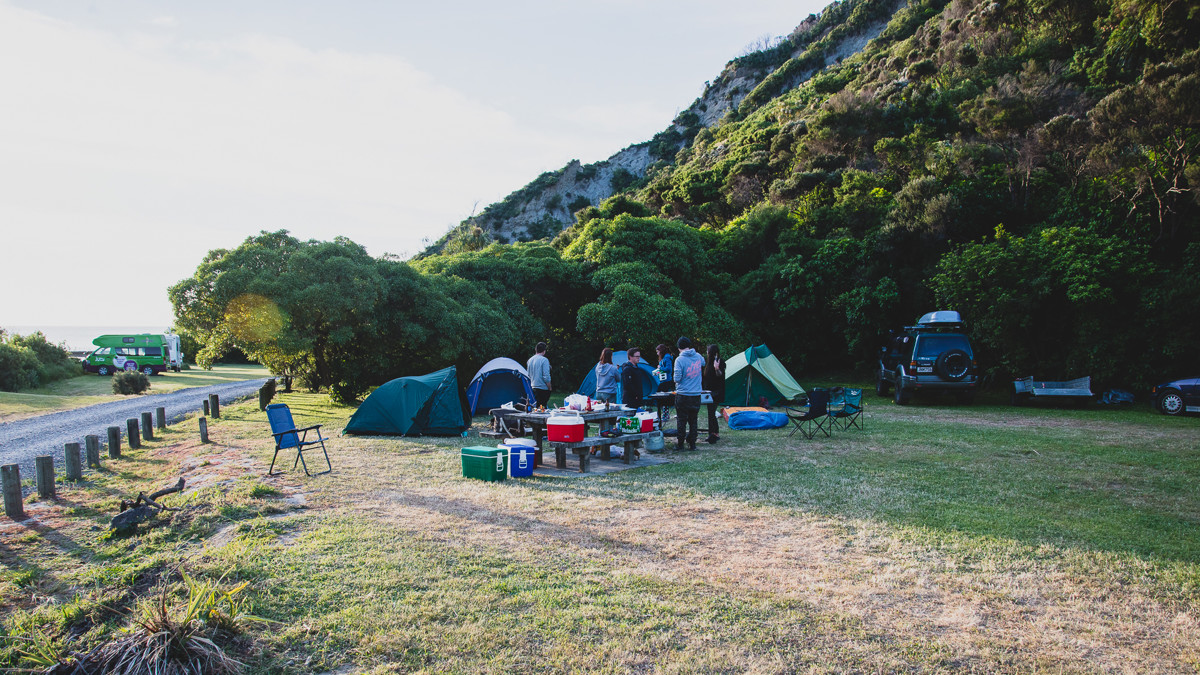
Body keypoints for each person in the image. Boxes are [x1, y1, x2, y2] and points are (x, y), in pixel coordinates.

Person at [673, 337, 704, 451]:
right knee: (693, 419)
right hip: (696, 394)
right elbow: (704, 362)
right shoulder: (698, 356)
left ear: (679, 348)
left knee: (681, 420)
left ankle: (680, 444)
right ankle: (692, 444)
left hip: (683, 394)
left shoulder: (679, 360)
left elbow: (677, 378)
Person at [702, 344, 725, 443]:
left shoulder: (720, 362)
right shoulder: (708, 363)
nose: (707, 353)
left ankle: (713, 433)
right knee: (710, 412)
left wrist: (717, 369)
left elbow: (720, 375)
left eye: (708, 351)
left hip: (717, 392)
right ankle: (715, 432)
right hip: (708, 392)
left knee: (711, 412)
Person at [527, 342, 552, 409]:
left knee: (536, 407)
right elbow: (546, 376)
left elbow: (528, 374)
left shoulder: (530, 360)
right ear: (544, 351)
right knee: (542, 408)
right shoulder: (544, 360)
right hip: (542, 388)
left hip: (533, 387)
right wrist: (549, 387)